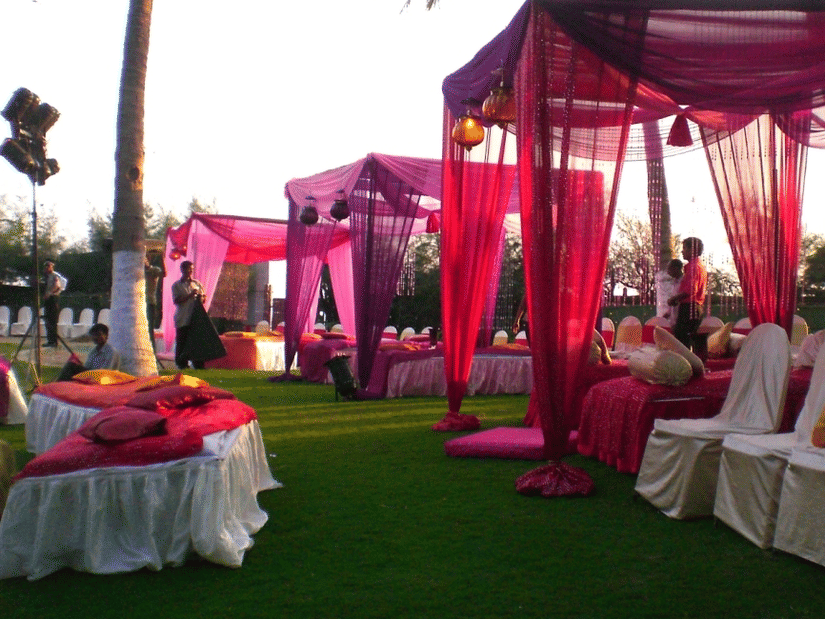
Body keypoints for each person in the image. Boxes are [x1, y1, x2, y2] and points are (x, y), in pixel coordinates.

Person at [668, 237, 707, 350]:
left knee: (682, 337)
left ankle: (686, 363)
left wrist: (674, 299)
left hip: (690, 307)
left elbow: (690, 290)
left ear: (692, 250)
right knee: (687, 336)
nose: (682, 251)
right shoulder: (698, 266)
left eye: (684, 248)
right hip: (694, 307)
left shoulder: (694, 267)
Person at [172, 260, 206, 369]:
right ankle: (182, 364)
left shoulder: (196, 283)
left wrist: (201, 298)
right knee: (182, 341)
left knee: (197, 341)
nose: (189, 271)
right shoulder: (177, 285)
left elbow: (204, 297)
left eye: (191, 269)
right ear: (182, 270)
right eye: (187, 269)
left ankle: (198, 364)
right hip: (182, 317)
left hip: (195, 317)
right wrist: (189, 295)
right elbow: (176, 300)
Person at [144, 252, 164, 351]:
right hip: (137, 303)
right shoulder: (136, 271)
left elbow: (163, 274)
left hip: (149, 302)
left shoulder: (153, 270)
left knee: (149, 329)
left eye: (144, 258)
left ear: (149, 259)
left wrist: (162, 258)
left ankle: (152, 352)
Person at [657, 258, 683, 328]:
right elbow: (671, 306)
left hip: (681, 319)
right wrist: (663, 318)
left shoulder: (683, 282)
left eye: (669, 269)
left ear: (676, 269)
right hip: (673, 321)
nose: (668, 272)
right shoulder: (674, 283)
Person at [42, 260, 63, 347]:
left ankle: (54, 341)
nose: (47, 268)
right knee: (48, 320)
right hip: (48, 299)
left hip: (53, 299)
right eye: (46, 266)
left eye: (48, 266)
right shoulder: (46, 277)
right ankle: (50, 340)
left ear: (52, 267)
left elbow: (57, 286)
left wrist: (49, 293)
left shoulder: (55, 275)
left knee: (52, 320)